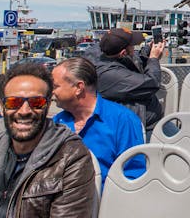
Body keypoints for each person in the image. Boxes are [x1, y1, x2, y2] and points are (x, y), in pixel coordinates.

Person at [0, 62, 95, 217]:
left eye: (36, 102)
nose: (24, 111)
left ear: (47, 106)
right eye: (13, 102)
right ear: (2, 108)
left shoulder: (71, 159)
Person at [51, 57, 146, 190]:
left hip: (107, 204)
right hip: (63, 204)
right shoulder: (56, 123)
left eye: (55, 86)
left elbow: (134, 174)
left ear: (79, 88)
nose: (52, 92)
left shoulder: (122, 120)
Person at [89, 27, 166, 138]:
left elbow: (133, 61)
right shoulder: (110, 74)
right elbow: (151, 83)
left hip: (144, 120)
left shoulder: (107, 54)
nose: (134, 49)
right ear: (123, 52)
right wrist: (154, 58)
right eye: (132, 46)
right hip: (138, 128)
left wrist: (147, 52)